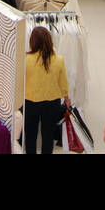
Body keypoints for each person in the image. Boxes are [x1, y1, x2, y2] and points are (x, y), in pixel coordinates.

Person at [23, 26, 68, 154]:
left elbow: (20, 81)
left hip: (30, 101)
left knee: (30, 135)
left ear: (32, 41)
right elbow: (63, 82)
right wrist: (66, 98)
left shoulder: (26, 59)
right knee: (48, 136)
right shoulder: (59, 60)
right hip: (52, 102)